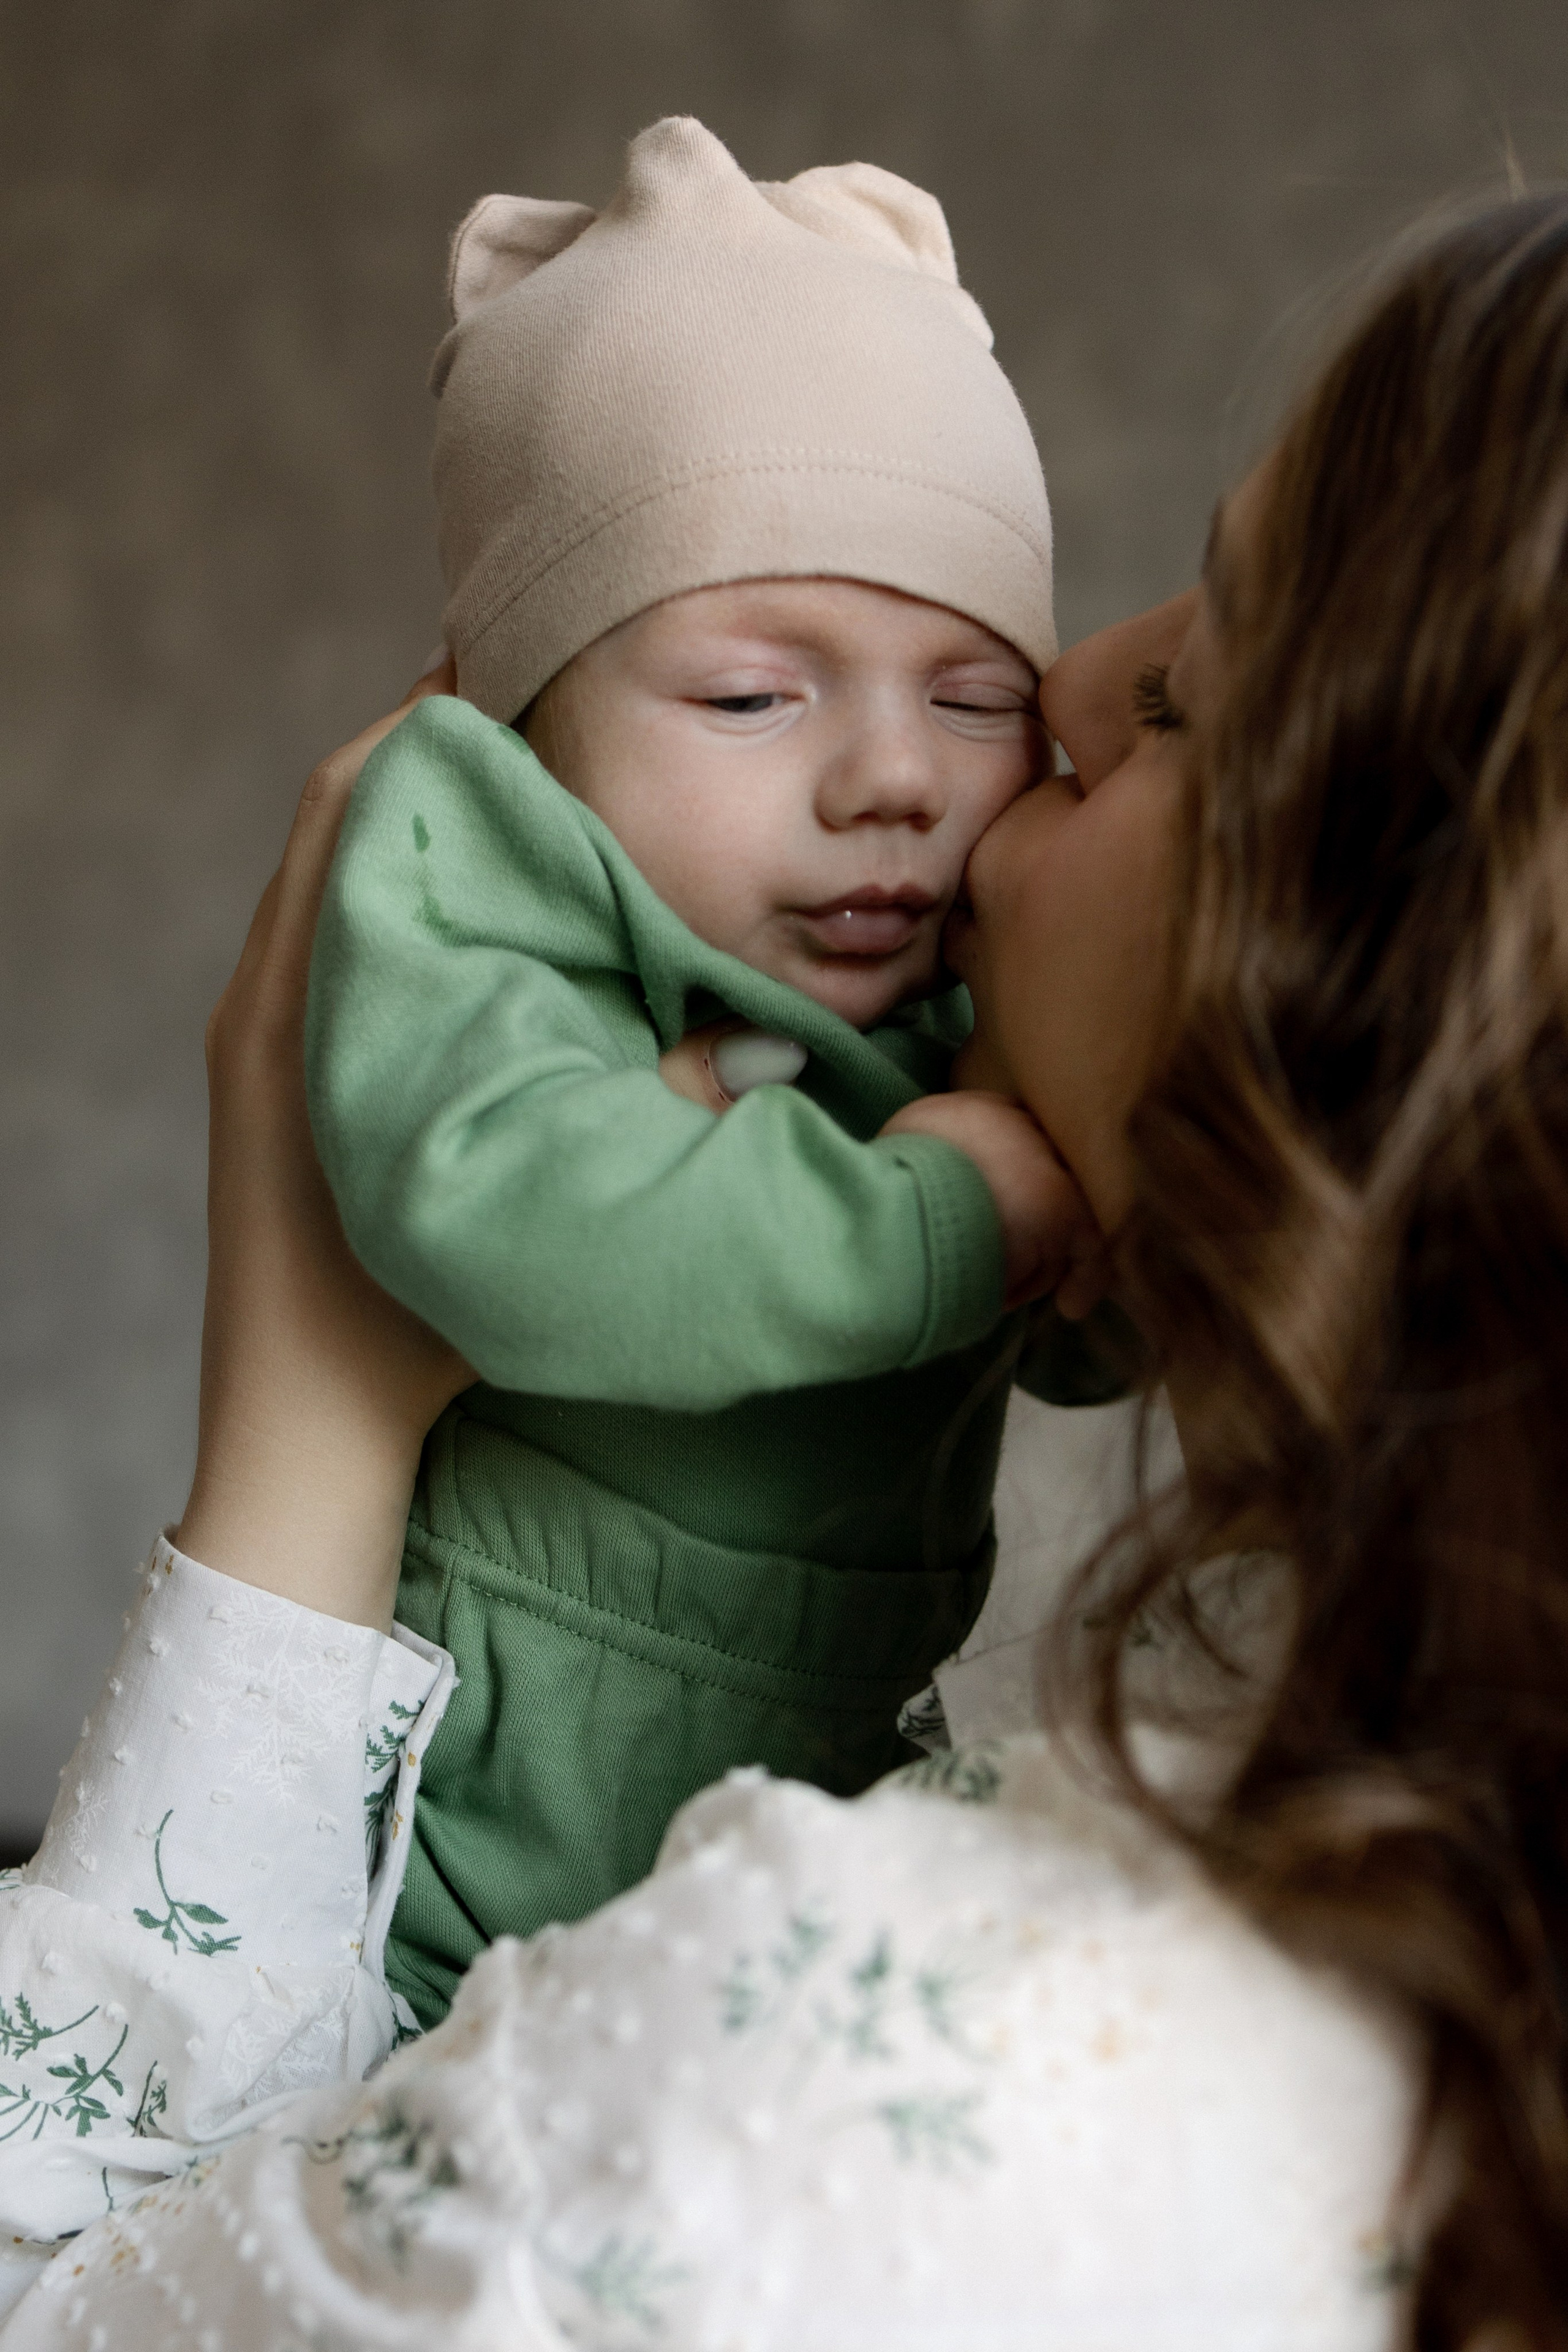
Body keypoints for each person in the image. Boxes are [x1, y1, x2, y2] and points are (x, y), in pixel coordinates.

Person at [1, 187, 1565, 2348]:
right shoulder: (1347, 1790)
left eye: (1188, 695)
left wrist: (302, 1429)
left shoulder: (823, 2070)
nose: (1055, 702)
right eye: (750, 688)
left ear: (1372, 995)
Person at [304, 114, 1118, 2028]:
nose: (891, 777)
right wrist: (952, 1219)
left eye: (977, 695)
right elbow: (522, 1223)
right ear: (519, 725)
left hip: (808, 1818)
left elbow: (1087, 1306)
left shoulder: (946, 956)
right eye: (757, 696)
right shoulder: (478, 885)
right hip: (455, 1848)